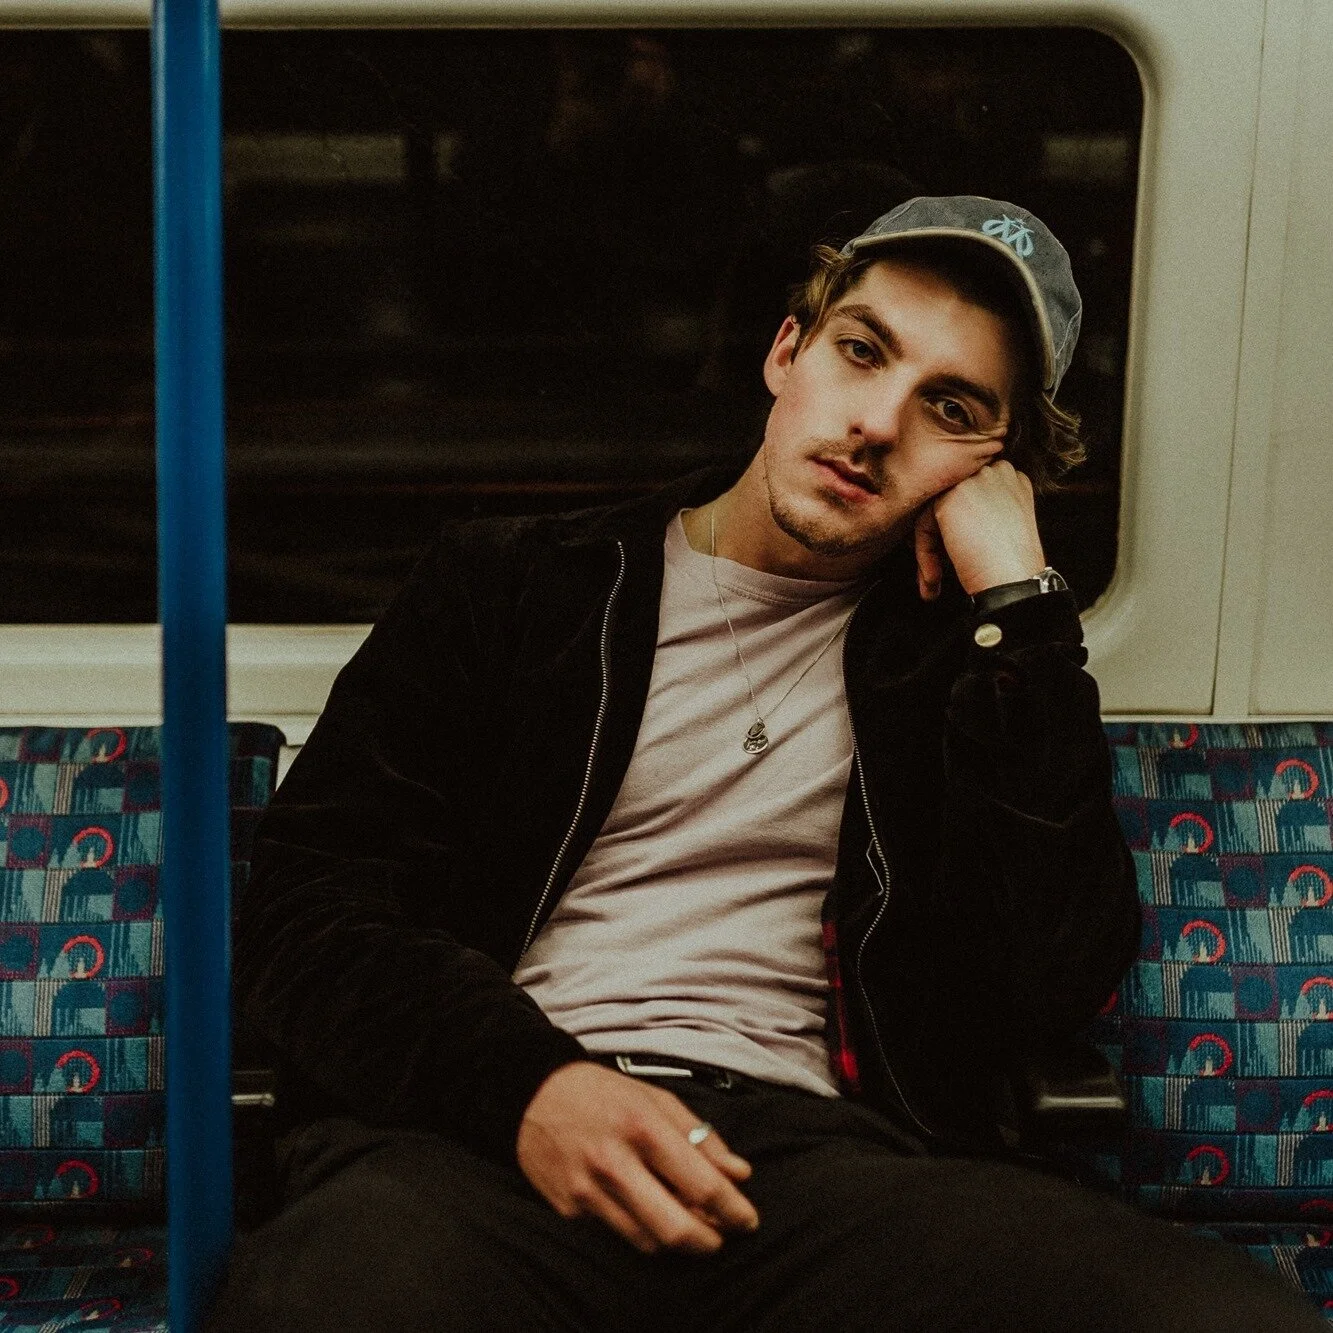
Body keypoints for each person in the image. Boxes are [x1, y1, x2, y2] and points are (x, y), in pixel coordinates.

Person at [207, 196, 1324, 1331]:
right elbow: (309, 912)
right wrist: (531, 1086)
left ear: (994, 467)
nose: (876, 424)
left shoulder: (964, 675)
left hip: (816, 1170)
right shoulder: (514, 586)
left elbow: (1045, 983)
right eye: (862, 351)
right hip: (488, 1141)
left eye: (949, 408)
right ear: (787, 351)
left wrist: (1022, 615)